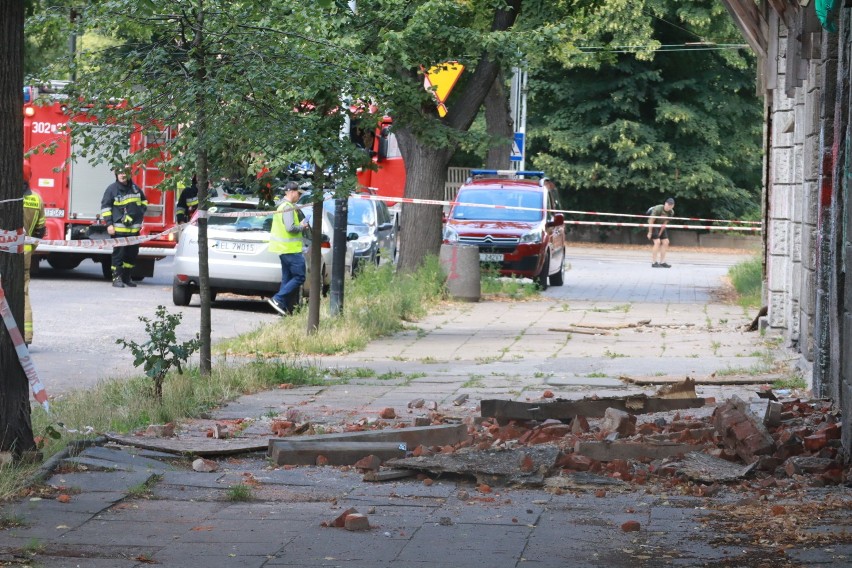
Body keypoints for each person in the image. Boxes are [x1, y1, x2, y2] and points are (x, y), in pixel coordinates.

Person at [101, 166, 148, 287]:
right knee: (119, 255)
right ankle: (117, 279)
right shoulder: (112, 189)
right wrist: (109, 224)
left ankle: (127, 278)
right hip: (119, 230)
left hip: (134, 231)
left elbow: (144, 202)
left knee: (131, 255)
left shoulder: (135, 189)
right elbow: (106, 208)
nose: (122, 175)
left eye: (125, 173)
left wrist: (140, 212)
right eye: (120, 173)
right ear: (116, 175)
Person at [267, 181, 309, 315]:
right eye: (298, 193)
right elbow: (290, 228)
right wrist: (302, 226)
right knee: (300, 277)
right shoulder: (288, 207)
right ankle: (278, 299)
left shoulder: (282, 206)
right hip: (291, 250)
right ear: (292, 192)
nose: (299, 196)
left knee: (287, 278)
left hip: (284, 249)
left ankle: (281, 307)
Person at [22, 160, 46, 345]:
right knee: (23, 294)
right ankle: (25, 336)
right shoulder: (36, 199)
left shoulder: (5, 197)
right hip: (25, 254)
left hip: (4, 251)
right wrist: (31, 249)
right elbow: (40, 231)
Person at [647, 197, 675, 268]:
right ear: (665, 204)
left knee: (666, 242)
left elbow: (664, 223)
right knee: (657, 242)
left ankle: (662, 262)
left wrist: (660, 233)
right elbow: (651, 221)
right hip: (653, 224)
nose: (669, 207)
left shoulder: (671, 212)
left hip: (660, 225)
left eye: (671, 206)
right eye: (668, 205)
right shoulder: (658, 208)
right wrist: (650, 232)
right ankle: (654, 262)